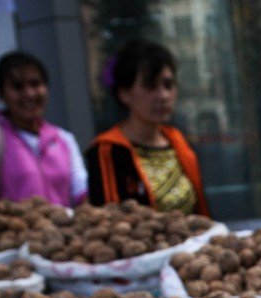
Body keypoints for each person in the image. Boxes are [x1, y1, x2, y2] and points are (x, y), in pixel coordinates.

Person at [84, 39, 210, 215]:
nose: (163, 95)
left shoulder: (178, 141)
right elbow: (110, 224)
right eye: (150, 86)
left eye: (168, 85)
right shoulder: (107, 150)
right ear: (124, 94)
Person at [0, 52, 87, 206]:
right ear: (1, 94)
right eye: (17, 87)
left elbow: (81, 188)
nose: (29, 94)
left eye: (35, 84)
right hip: (14, 230)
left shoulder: (63, 139)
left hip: (64, 229)